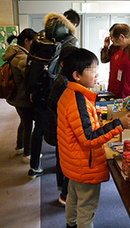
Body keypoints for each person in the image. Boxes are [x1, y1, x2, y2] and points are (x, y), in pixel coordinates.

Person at [57, 47, 130, 228]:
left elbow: (80, 130)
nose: (97, 74)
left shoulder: (72, 93)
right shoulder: (78, 100)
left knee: (73, 197)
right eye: (92, 70)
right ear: (77, 75)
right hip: (85, 164)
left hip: (74, 162)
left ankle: (71, 224)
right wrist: (119, 124)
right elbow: (89, 138)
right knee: (87, 207)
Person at [28, 10, 80, 179]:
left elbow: (30, 64)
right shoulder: (70, 42)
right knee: (61, 131)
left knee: (38, 129)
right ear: (73, 24)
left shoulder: (40, 37)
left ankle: (34, 166)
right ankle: (61, 174)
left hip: (38, 91)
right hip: (59, 93)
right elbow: (74, 72)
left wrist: (32, 90)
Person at [2, 28, 37, 163]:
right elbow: (31, 77)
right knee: (28, 124)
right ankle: (27, 154)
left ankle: (20, 146)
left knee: (24, 121)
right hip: (22, 97)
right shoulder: (22, 58)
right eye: (33, 42)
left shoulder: (15, 53)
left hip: (16, 95)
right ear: (26, 41)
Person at [100, 23, 123, 97]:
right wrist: (106, 47)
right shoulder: (113, 47)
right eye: (111, 37)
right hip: (113, 83)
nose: (112, 39)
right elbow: (104, 60)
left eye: (114, 37)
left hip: (124, 85)